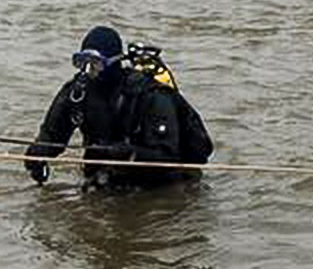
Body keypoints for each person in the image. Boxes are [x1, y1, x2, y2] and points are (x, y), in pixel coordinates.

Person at [25, 26, 214, 188]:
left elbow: (168, 157)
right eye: (82, 62)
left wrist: (130, 154)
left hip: (159, 183)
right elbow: (53, 135)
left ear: (114, 62)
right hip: (107, 179)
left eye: (96, 63)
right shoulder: (76, 94)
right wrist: (37, 154)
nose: (89, 70)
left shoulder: (150, 96)